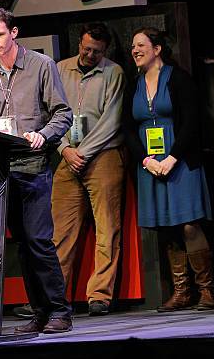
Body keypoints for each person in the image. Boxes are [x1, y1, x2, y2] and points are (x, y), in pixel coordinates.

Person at [0, 8, 74, 333]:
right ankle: (40, 313)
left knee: (39, 240)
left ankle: (60, 311)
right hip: (2, 170)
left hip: (34, 165)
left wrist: (42, 135)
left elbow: (62, 113)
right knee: (22, 244)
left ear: (14, 33)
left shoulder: (40, 66)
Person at [124, 27, 214, 312]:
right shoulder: (133, 85)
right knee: (167, 227)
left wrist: (172, 158)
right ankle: (182, 292)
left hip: (180, 161)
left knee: (188, 225)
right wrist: (146, 160)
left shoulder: (179, 79)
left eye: (141, 45)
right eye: (133, 46)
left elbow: (191, 123)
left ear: (157, 49)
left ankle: (207, 291)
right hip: (150, 165)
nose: (135, 50)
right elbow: (127, 129)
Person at [51, 23, 126, 316]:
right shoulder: (60, 69)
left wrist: (82, 152)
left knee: (107, 228)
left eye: (96, 51)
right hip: (67, 154)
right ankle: (54, 297)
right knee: (60, 232)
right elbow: (50, 112)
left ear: (105, 50)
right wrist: (65, 149)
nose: (89, 54)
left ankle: (100, 295)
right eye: (86, 48)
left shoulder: (114, 73)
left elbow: (112, 120)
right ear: (79, 43)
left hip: (103, 153)